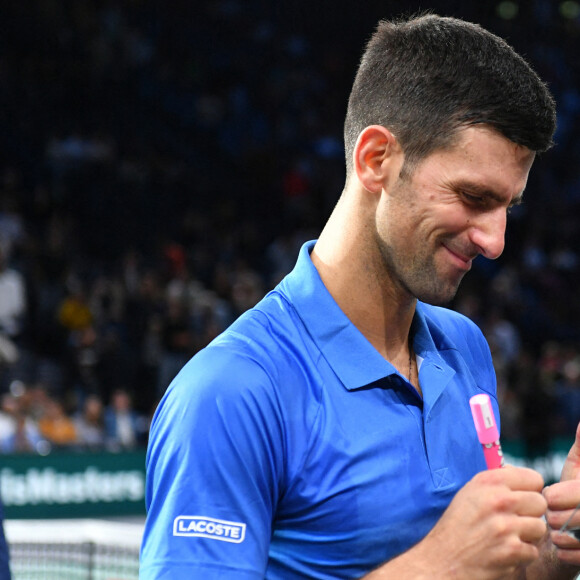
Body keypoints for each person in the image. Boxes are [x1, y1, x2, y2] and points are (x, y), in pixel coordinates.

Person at [140, 14, 580, 579]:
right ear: (376, 160)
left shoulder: (464, 347)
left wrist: (558, 545)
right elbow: (451, 567)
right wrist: (435, 566)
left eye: (507, 208)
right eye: (473, 197)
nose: (495, 242)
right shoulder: (229, 393)